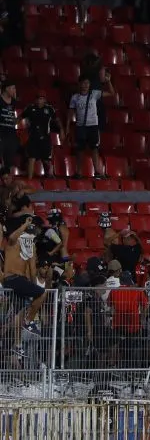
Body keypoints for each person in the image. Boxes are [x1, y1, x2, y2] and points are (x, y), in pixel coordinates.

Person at [2, 206, 47, 357]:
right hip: (12, 279)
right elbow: (13, 238)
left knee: (19, 310)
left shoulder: (30, 246)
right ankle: (28, 322)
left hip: (19, 280)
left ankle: (17, 344)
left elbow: (33, 271)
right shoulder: (13, 243)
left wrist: (31, 285)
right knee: (41, 294)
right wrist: (24, 225)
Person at [65, 74, 115, 178]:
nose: (85, 85)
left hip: (93, 126)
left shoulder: (94, 94)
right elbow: (70, 112)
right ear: (79, 84)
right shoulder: (75, 97)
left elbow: (111, 93)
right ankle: (78, 172)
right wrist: (67, 126)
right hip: (80, 127)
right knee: (79, 150)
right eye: (83, 83)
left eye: (87, 83)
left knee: (95, 149)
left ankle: (97, 172)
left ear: (89, 84)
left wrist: (108, 81)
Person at [22, 92, 61, 178]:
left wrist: (62, 130)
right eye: (38, 98)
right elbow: (20, 117)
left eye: (42, 98)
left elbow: (57, 120)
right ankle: (30, 179)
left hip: (45, 138)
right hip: (33, 137)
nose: (39, 100)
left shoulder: (50, 109)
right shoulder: (30, 108)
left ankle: (49, 175)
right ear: (35, 99)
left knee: (46, 161)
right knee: (31, 158)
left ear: (45, 100)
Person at [0, 81, 18, 170]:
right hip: (1, 134)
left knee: (9, 161)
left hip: (11, 134)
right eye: (13, 88)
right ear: (7, 88)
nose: (15, 90)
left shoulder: (14, 102)